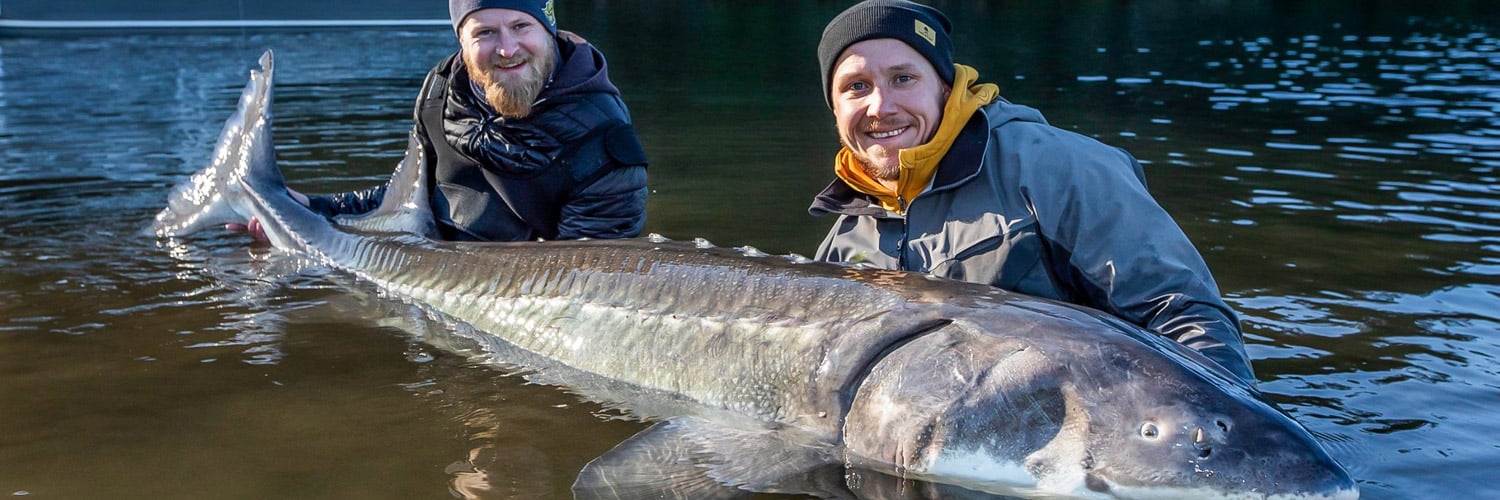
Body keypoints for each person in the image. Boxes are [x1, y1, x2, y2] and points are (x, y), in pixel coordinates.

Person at [807, 0, 1256, 383]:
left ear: (945, 87)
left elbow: (1187, 317)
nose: (880, 107)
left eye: (904, 79)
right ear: (834, 108)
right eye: (856, 87)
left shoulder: (1063, 169)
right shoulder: (845, 239)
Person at [234, 0, 648, 242]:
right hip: (431, 275)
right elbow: (411, 197)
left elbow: (585, 281)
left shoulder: (606, 143)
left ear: (548, 29)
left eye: (521, 26)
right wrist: (312, 211)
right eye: (485, 33)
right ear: (462, 42)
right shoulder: (441, 93)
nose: (507, 49)